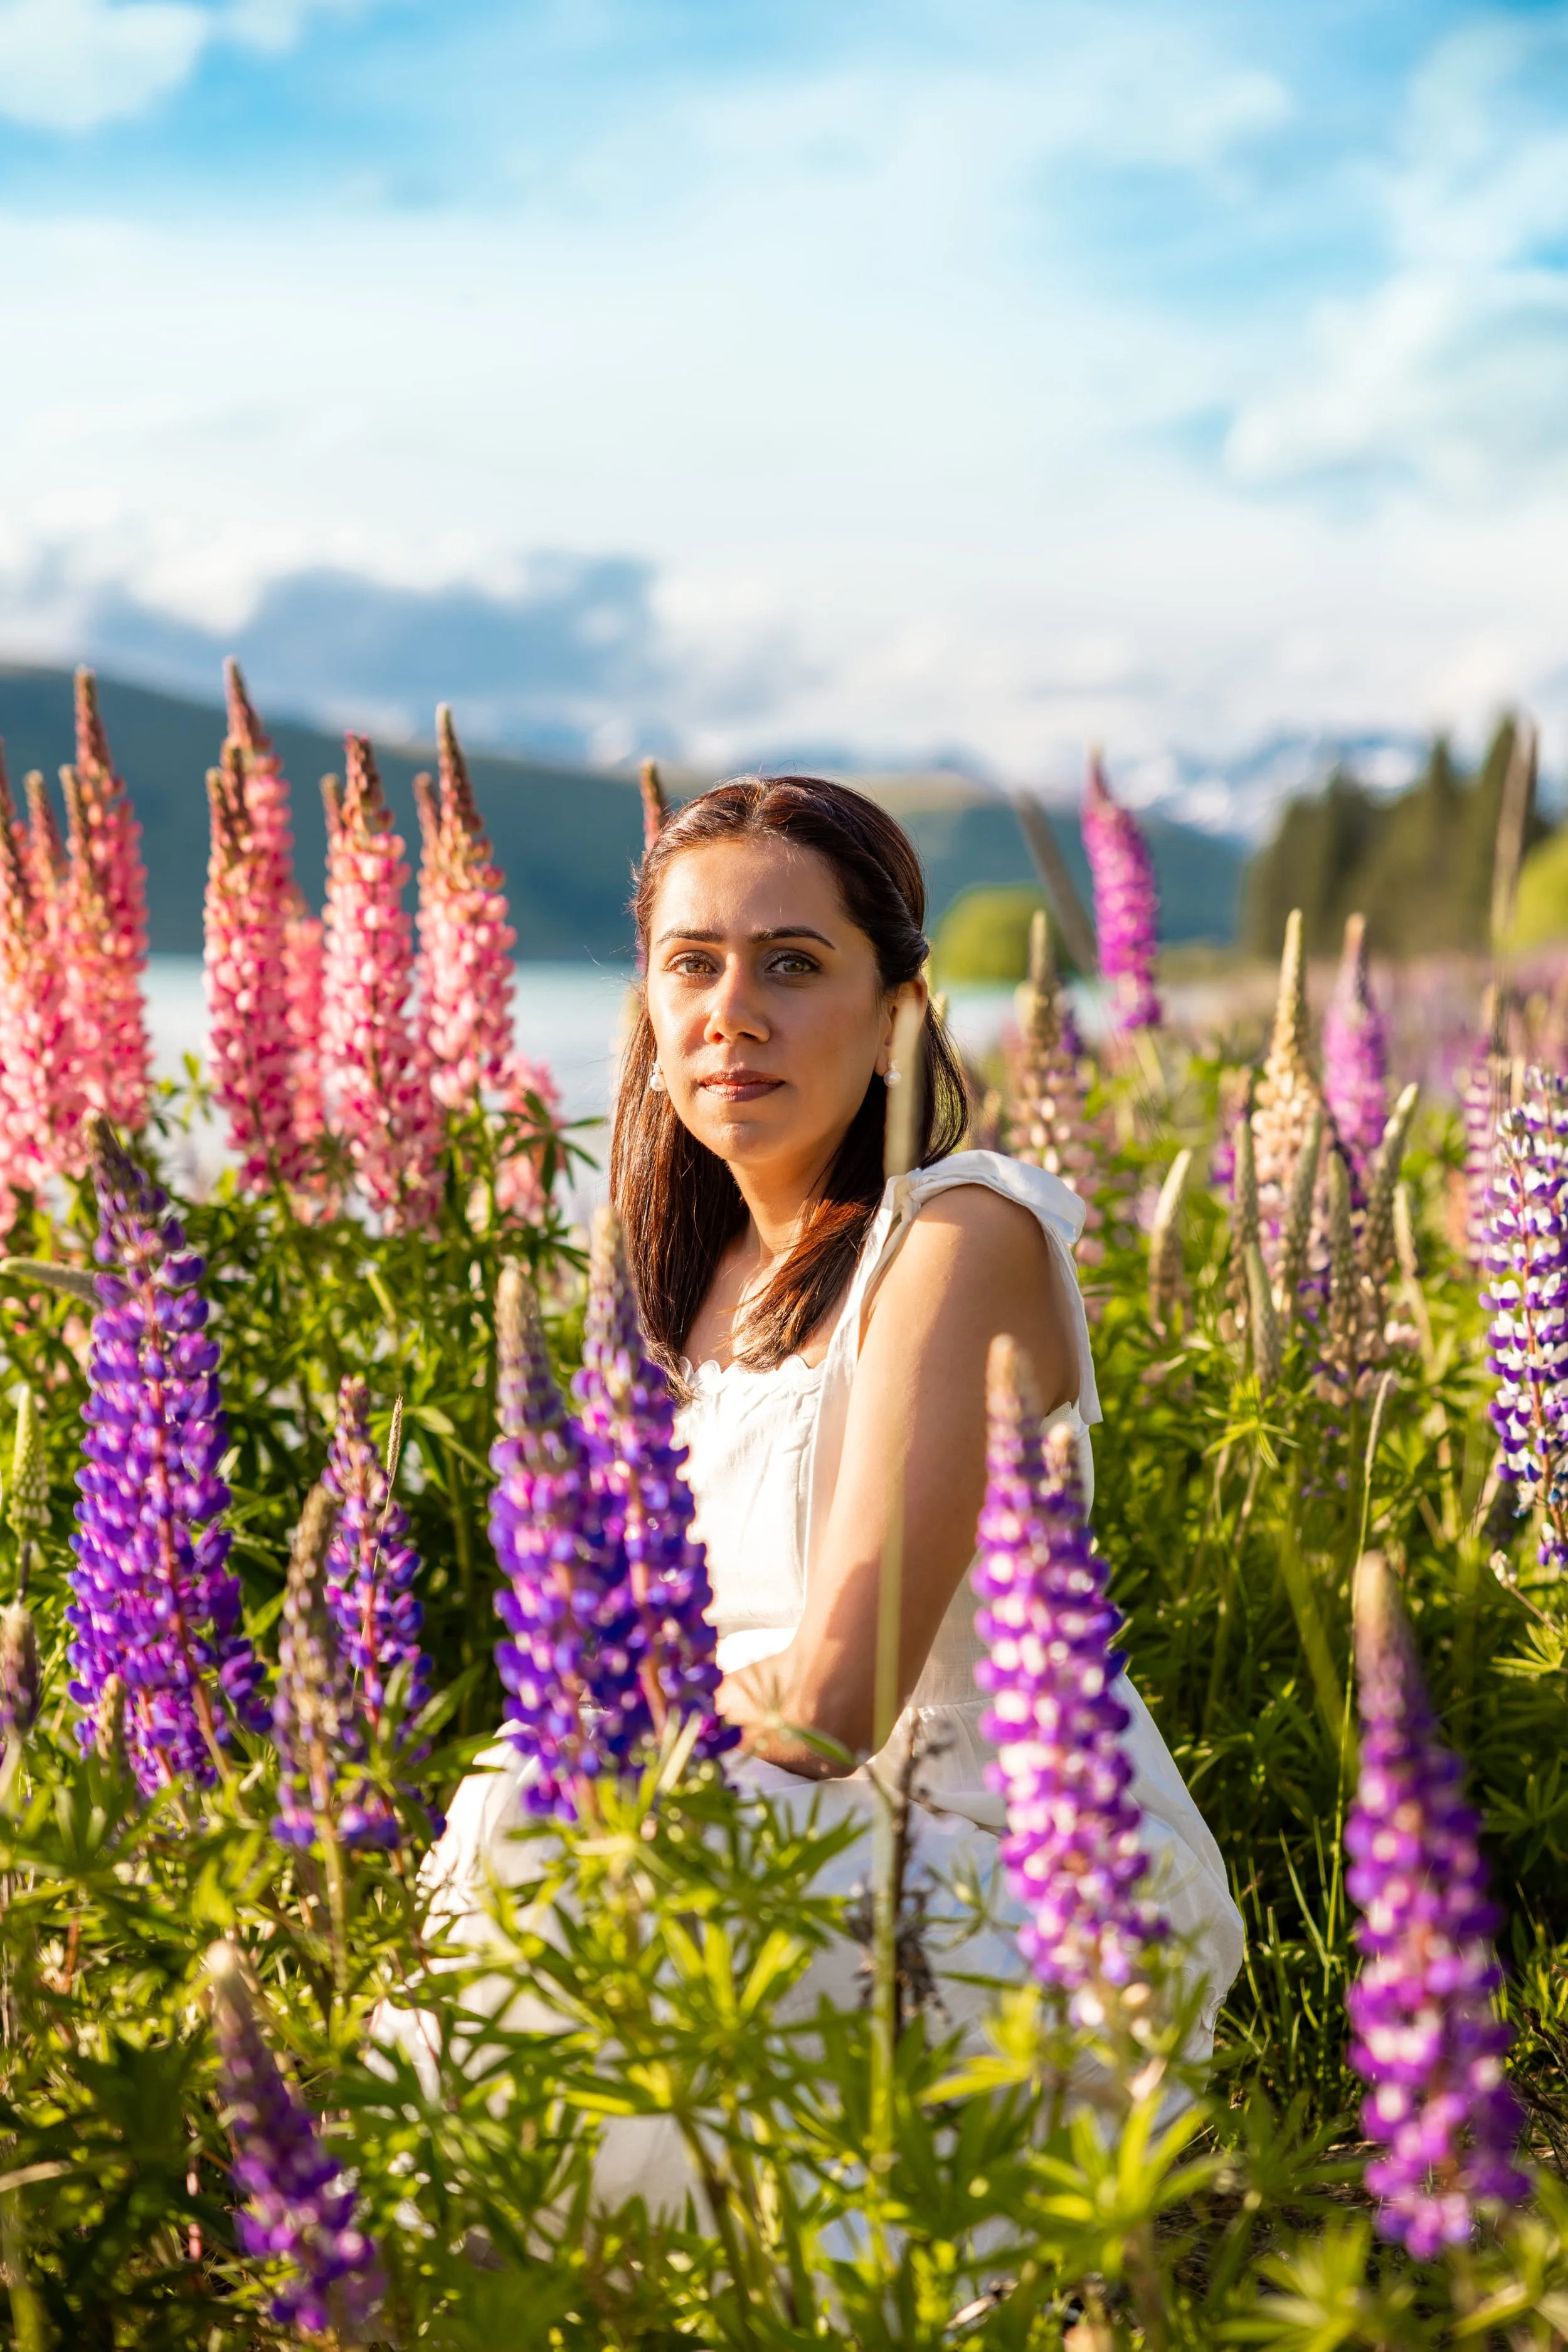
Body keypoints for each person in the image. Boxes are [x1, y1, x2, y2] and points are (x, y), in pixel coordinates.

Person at [411, 774, 1242, 2203]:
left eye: (791, 965)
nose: (731, 1011)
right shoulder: (679, 1288)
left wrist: (595, 1727)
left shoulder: (957, 1233)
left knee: (560, 1826)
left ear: (900, 1018)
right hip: (745, 1816)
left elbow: (836, 1701)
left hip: (1015, 1869)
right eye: (692, 964)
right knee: (526, 1821)